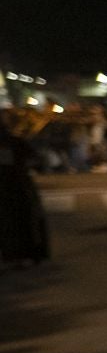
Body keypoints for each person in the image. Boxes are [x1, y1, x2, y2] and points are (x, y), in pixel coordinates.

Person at [0, 113, 50, 268]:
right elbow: (35, 161)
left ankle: (13, 255)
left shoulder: (14, 142)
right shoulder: (15, 141)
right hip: (18, 186)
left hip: (13, 187)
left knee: (11, 223)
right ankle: (26, 254)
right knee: (24, 221)